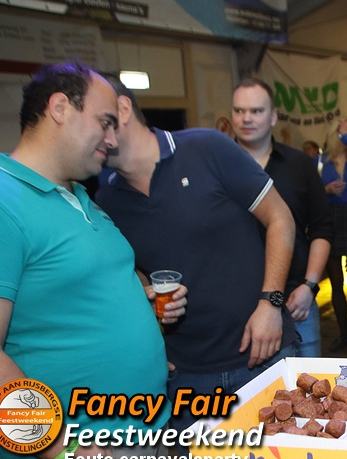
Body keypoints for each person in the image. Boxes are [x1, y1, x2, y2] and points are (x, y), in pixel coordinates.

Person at [0, 62, 186, 459]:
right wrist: (57, 447)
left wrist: (139, 321)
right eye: (105, 122)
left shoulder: (79, 197)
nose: (112, 139)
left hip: (142, 435)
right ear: (60, 108)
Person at [95, 74, 297, 434]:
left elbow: (280, 218)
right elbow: (135, 272)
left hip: (264, 354)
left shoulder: (205, 148)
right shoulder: (106, 197)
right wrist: (151, 326)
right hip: (188, 376)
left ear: (122, 110)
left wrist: (271, 303)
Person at [231, 78, 333, 358]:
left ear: (273, 116)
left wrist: (310, 286)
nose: (247, 118)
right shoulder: (216, 166)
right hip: (237, 306)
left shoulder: (299, 164)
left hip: (294, 302)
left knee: (308, 382)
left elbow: (322, 228)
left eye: (256, 111)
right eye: (239, 111)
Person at [321, 123, 347, 352]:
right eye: (346, 129)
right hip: (330, 219)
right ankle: (344, 333)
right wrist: (325, 190)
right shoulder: (321, 162)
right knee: (336, 282)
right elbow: (310, 192)